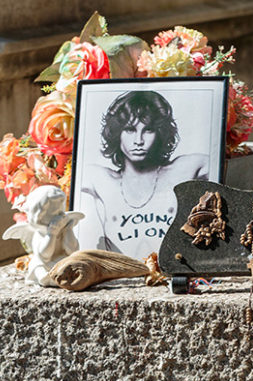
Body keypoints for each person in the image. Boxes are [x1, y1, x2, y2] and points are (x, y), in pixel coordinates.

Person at [77, 90, 209, 258]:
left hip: (176, 271)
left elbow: (219, 158)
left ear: (160, 133)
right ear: (117, 134)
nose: (138, 141)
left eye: (148, 130)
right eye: (130, 130)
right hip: (119, 277)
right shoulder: (98, 178)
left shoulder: (184, 169)